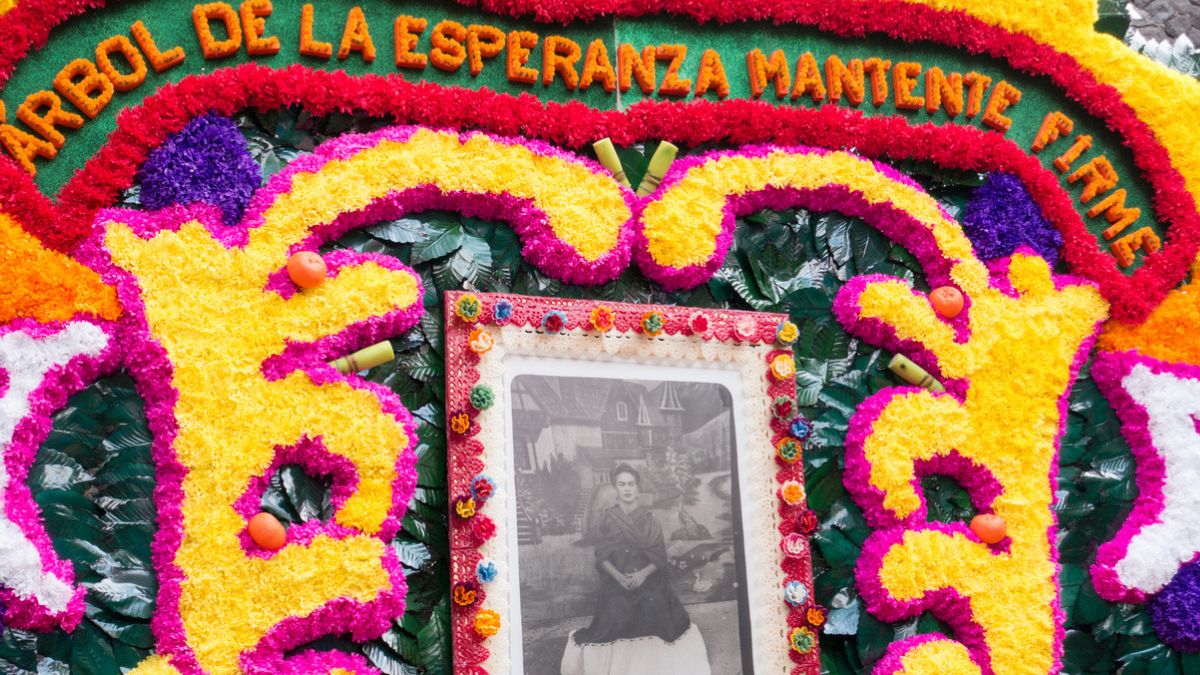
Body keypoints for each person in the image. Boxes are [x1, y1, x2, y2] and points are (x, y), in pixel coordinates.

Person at [560, 464, 711, 675]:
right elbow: (601, 556)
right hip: (616, 581)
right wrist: (620, 578)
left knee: (655, 608)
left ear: (637, 487)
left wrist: (642, 574)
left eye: (631, 484)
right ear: (616, 488)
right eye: (622, 484)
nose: (627, 489)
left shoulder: (650, 520)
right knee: (613, 615)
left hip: (648, 579)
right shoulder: (607, 518)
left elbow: (659, 556)